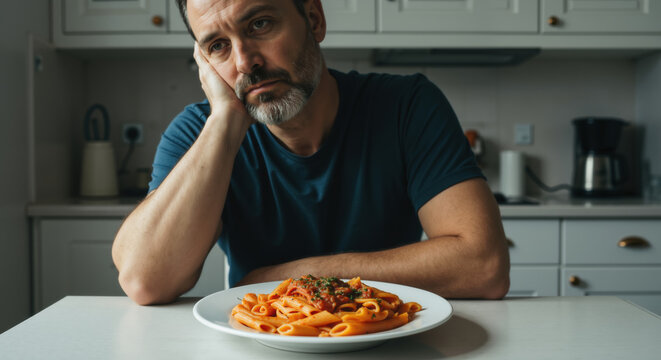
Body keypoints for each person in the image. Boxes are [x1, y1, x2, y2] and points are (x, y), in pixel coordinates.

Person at [111, 0, 510, 306]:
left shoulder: (407, 105)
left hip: (387, 338)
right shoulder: (200, 132)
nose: (245, 61)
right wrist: (223, 123)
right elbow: (145, 280)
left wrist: (293, 275)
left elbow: (484, 266)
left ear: (314, 20)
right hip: (263, 343)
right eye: (218, 46)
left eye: (260, 24)